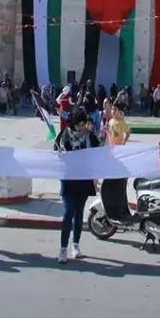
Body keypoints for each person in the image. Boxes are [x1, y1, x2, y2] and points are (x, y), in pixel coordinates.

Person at [54, 107, 99, 264]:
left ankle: (76, 245)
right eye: (79, 124)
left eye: (83, 124)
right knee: (68, 213)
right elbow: (55, 153)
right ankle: (63, 248)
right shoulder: (64, 136)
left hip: (84, 180)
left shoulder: (90, 137)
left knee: (79, 213)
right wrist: (60, 155)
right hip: (68, 179)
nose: (82, 128)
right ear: (73, 123)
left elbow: (98, 155)